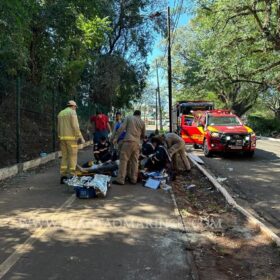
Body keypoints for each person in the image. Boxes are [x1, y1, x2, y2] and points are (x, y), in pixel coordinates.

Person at [111, 110, 145, 185]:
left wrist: (116, 138)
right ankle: (133, 179)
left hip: (128, 141)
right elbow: (143, 135)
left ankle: (120, 179)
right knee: (134, 162)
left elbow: (121, 128)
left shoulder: (129, 117)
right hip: (137, 143)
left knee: (123, 160)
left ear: (134, 114)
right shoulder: (142, 122)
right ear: (139, 115)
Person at [57, 100, 85, 184]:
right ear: (73, 106)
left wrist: (59, 136)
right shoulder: (72, 113)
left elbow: (58, 127)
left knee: (64, 157)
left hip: (62, 138)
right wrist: (81, 137)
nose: (75, 109)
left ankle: (63, 176)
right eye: (75, 107)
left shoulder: (60, 113)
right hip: (71, 139)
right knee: (73, 157)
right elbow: (75, 126)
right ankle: (73, 175)